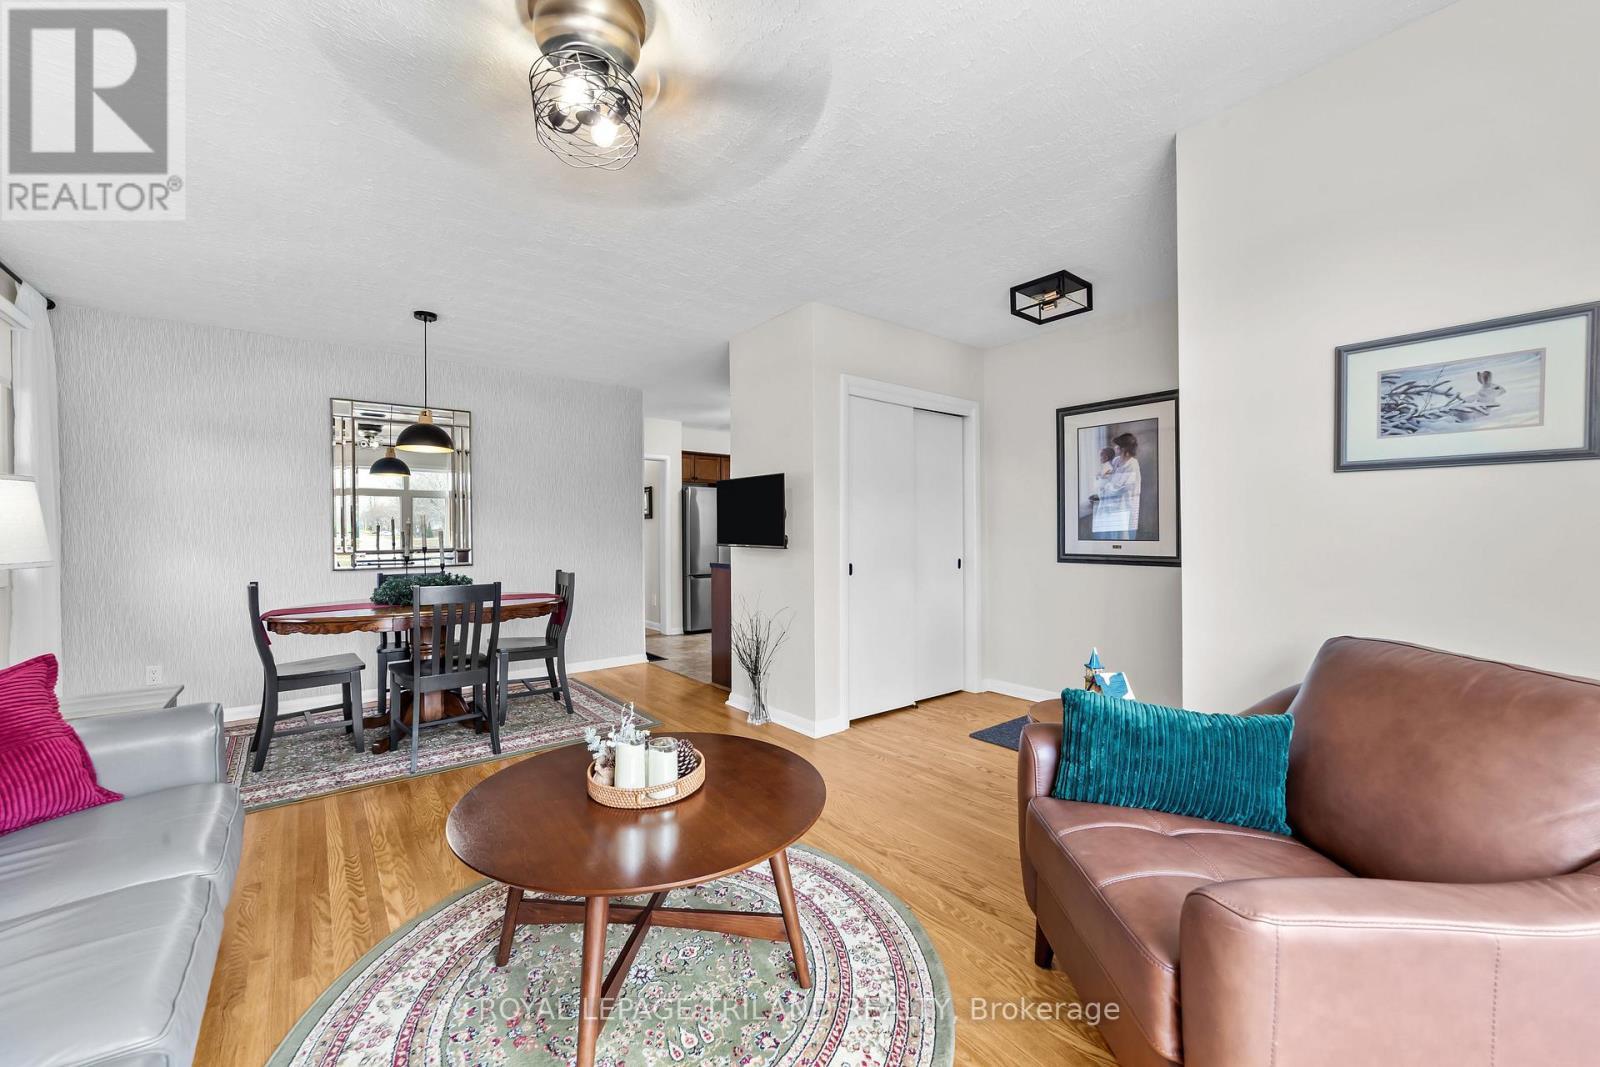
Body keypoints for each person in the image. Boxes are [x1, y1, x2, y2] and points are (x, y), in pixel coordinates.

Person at [1089, 432, 1142, 540]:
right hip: (1111, 503)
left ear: (1124, 449)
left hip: (1124, 504)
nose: (1115, 448)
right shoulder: (1116, 460)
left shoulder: (1132, 465)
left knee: (1121, 535)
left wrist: (1107, 486)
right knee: (1109, 534)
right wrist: (1102, 478)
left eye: (1117, 446)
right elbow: (1109, 475)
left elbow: (1122, 488)